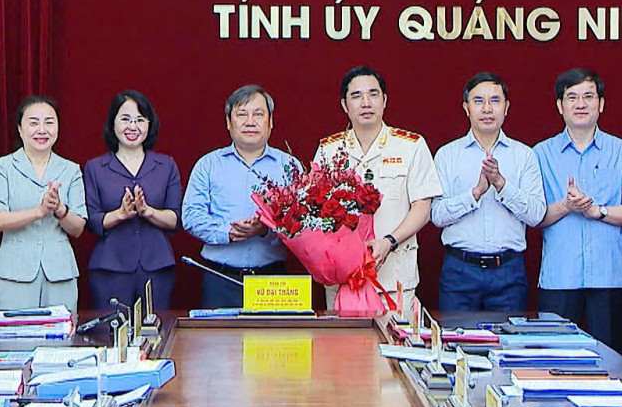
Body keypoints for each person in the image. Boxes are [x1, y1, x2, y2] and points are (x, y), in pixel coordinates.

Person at [533, 68, 622, 350]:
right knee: (553, 364)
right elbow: (533, 217)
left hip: (609, 278)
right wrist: (567, 206)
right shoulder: (539, 155)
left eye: (588, 97)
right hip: (559, 278)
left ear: (601, 104)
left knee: (609, 363)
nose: (580, 104)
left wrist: (599, 211)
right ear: (560, 106)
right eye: (572, 97)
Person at [314, 66, 442, 307]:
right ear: (344, 105)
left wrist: (389, 241)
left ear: (384, 101)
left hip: (394, 279)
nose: (365, 103)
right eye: (356, 96)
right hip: (343, 280)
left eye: (373, 94)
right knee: (342, 346)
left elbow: (422, 208)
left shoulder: (411, 146)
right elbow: (313, 214)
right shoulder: (328, 150)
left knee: (395, 344)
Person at [430, 72, 544, 313]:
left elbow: (536, 215)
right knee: (456, 347)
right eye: (478, 101)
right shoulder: (447, 155)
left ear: (506, 107)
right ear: (466, 108)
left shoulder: (524, 155)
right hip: (459, 270)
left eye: (495, 100)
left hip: (508, 272)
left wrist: (502, 185)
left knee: (507, 347)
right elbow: (436, 215)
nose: (487, 109)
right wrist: (476, 193)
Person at [182, 85, 300, 309]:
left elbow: (303, 223)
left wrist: (265, 228)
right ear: (228, 122)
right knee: (219, 344)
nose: (250, 121)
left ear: (270, 121)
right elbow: (191, 216)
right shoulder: (208, 165)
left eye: (258, 114)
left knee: (274, 345)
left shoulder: (289, 166)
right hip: (219, 279)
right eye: (241, 114)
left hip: (273, 282)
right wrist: (229, 232)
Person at [83, 90, 182, 314]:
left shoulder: (166, 166)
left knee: (156, 336)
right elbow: (91, 219)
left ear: (149, 124)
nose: (132, 126)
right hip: (110, 268)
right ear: (113, 123)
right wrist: (120, 214)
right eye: (125, 119)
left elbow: (175, 218)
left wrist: (147, 211)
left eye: (140, 120)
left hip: (156, 267)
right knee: (113, 337)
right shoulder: (95, 167)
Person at [0, 96, 87, 312]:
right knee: (14, 341)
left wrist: (60, 209)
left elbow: (78, 228)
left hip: (60, 274)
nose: (42, 129)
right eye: (34, 122)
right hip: (14, 274)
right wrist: (38, 211)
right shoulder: (1, 167)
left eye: (49, 122)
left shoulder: (71, 170)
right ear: (20, 130)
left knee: (60, 342)